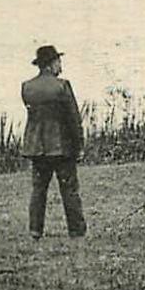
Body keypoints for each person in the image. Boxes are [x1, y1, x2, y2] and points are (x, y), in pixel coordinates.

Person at [20, 44, 86, 239]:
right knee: (69, 190)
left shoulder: (27, 87)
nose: (61, 66)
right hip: (61, 148)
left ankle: (35, 229)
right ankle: (76, 230)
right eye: (59, 61)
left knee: (39, 190)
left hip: (37, 148)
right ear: (51, 64)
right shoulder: (62, 86)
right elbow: (73, 119)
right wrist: (79, 146)